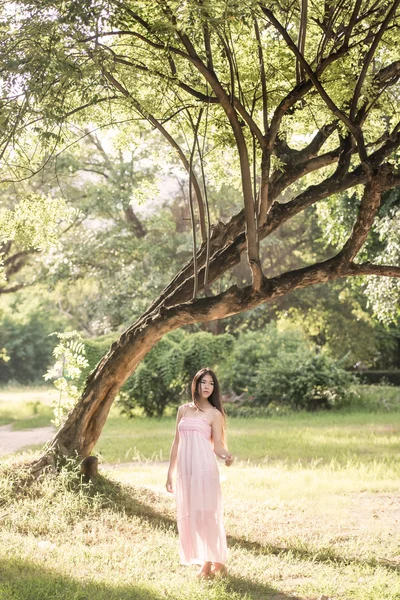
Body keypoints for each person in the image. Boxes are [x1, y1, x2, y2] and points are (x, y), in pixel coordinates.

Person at [166, 367, 234, 579]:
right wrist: (170, 473)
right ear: (195, 384)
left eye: (211, 383)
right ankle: (217, 561)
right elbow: (176, 443)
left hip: (204, 469)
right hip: (186, 471)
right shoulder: (183, 410)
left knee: (206, 515)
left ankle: (207, 565)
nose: (207, 386)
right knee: (193, 515)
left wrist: (226, 457)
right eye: (204, 382)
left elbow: (217, 447)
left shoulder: (215, 414)